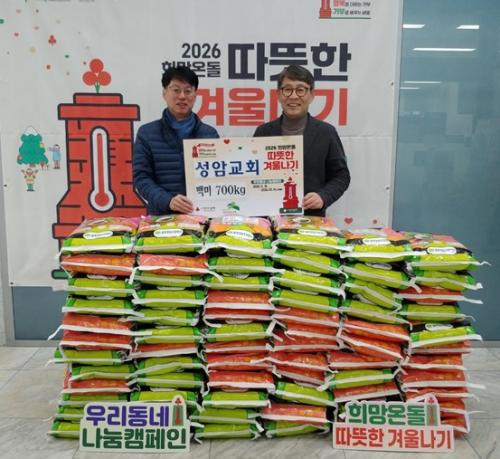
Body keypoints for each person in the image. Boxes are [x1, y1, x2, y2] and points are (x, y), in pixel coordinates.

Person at [254, 65, 350, 217]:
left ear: (311, 95)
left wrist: (323, 197)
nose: (293, 96)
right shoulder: (263, 132)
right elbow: (252, 174)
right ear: (278, 94)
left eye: (300, 90)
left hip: (310, 219)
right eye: (287, 89)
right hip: (269, 219)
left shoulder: (326, 132)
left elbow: (341, 175)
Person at [133, 66, 219, 215]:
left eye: (188, 91)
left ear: (195, 94)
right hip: (161, 218)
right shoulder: (146, 133)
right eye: (176, 90)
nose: (182, 96)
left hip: (201, 217)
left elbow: (219, 177)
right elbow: (141, 178)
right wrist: (168, 201)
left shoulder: (209, 134)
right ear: (164, 92)